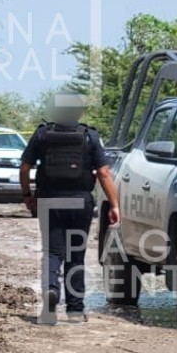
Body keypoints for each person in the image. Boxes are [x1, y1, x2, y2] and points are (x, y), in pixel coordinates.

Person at [19, 94, 120, 323]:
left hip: (49, 201)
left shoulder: (42, 134)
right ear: (78, 113)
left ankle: (50, 295)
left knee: (53, 253)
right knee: (76, 256)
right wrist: (114, 204)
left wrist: (27, 195)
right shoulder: (89, 136)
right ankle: (75, 310)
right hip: (80, 202)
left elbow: (25, 167)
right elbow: (104, 173)